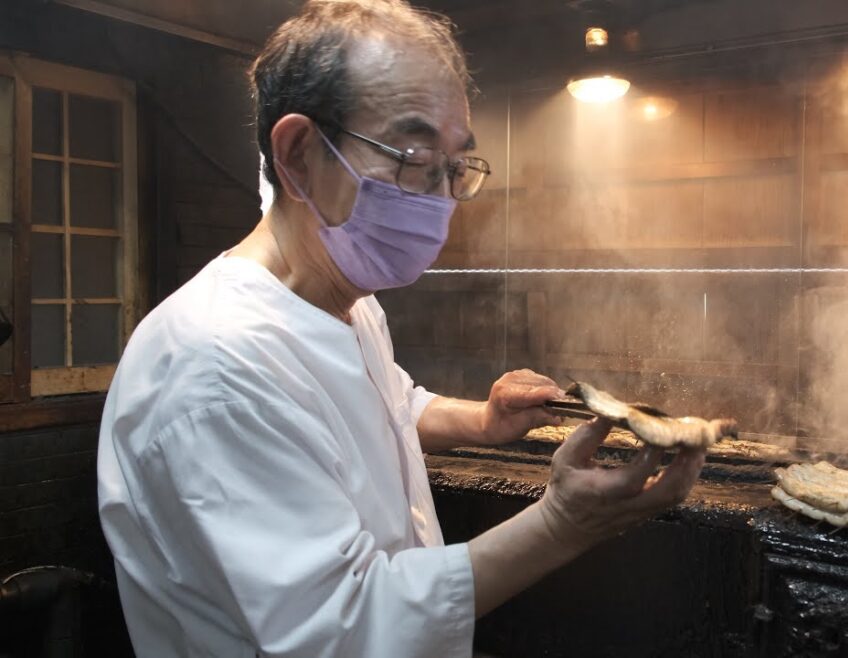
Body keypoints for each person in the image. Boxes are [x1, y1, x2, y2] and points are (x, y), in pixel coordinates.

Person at [96, 1, 707, 656]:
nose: (441, 200)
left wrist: (483, 420)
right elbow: (343, 629)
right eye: (415, 159)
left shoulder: (349, 302)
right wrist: (562, 524)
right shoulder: (217, 367)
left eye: (454, 167)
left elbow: (385, 405)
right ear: (299, 155)